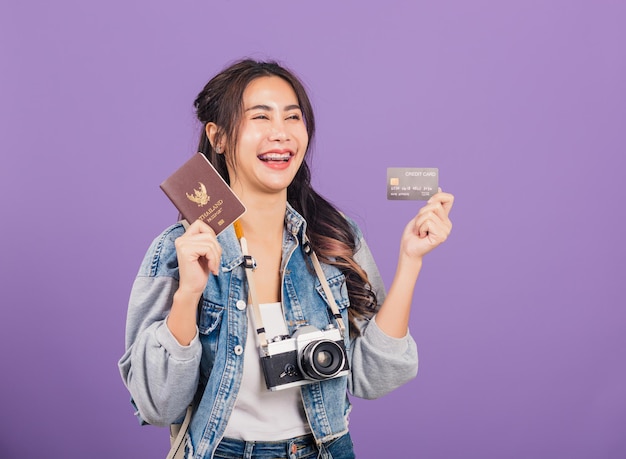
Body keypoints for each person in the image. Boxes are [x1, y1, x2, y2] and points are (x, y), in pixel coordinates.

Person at [118, 59, 454, 459]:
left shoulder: (334, 237)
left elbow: (374, 378)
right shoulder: (177, 250)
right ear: (219, 136)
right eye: (260, 117)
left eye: (293, 117)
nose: (280, 133)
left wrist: (410, 261)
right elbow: (158, 406)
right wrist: (189, 293)